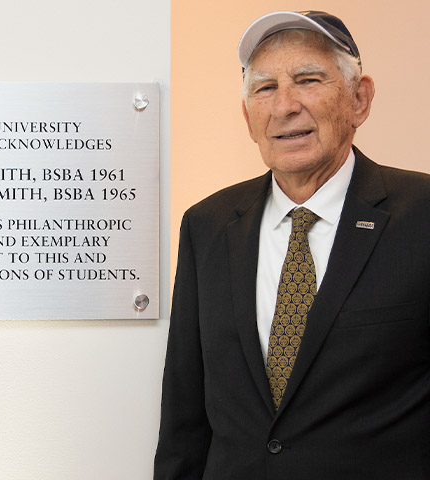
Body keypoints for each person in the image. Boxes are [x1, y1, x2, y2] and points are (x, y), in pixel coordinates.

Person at [155, 10, 430, 479]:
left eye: (307, 80)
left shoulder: (421, 215)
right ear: (248, 116)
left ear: (359, 100)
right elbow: (185, 419)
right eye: (265, 88)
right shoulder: (207, 225)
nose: (284, 106)